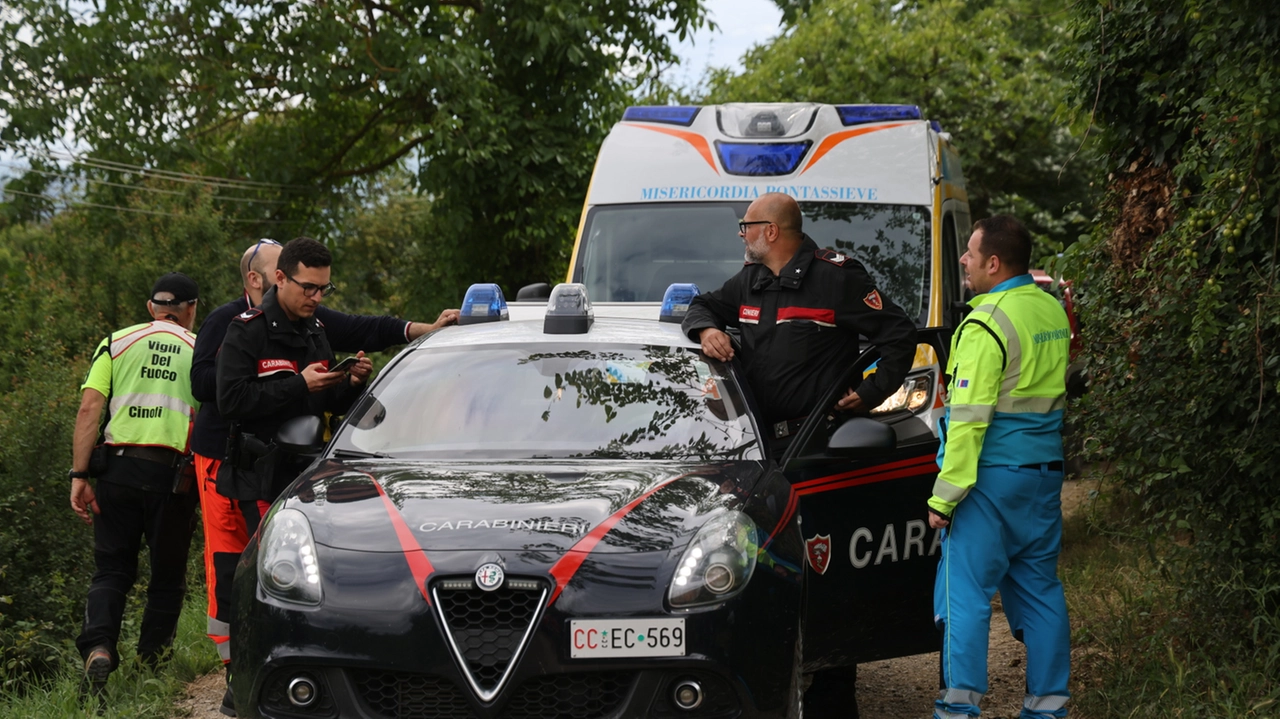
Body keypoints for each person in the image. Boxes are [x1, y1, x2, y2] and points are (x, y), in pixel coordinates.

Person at [189, 239, 457, 715]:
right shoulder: (243, 329)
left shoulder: (315, 329)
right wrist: (299, 384)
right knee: (262, 578)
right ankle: (244, 682)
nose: (315, 296)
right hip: (258, 475)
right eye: (307, 287)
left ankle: (311, 672)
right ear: (280, 279)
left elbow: (323, 403)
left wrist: (348, 383)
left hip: (310, 475)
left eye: (322, 288)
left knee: (312, 580)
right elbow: (229, 401)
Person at [681, 192, 918, 717]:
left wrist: (873, 392)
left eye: (747, 226)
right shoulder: (751, 281)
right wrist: (708, 328)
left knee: (823, 574)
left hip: (817, 446)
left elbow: (900, 336)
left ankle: (834, 700)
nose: (741, 235)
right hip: (758, 450)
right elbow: (701, 304)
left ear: (772, 231)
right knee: (763, 566)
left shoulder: (838, 278)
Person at [927, 215, 1072, 719]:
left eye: (969, 252)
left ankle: (958, 708)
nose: (963, 260)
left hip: (988, 482)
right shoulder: (1049, 309)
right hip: (1042, 474)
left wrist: (944, 498)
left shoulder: (986, 321)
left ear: (994, 262)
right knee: (1040, 589)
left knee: (965, 596)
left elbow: (967, 420)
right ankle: (1048, 709)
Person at [68, 272, 202, 704]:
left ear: (151, 308)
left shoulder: (116, 342)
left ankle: (99, 647)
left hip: (116, 474)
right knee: (166, 579)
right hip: (173, 480)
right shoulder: (201, 350)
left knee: (111, 570)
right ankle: (152, 670)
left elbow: (91, 406)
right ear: (191, 309)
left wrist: (79, 475)